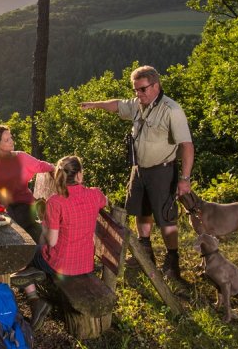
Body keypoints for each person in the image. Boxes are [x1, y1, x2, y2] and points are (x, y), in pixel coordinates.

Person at [79, 65, 194, 286]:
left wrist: (185, 179)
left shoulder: (172, 110)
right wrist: (95, 105)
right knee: (141, 210)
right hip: (139, 169)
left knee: (166, 216)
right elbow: (117, 105)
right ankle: (145, 251)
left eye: (142, 90)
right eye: (135, 90)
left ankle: (172, 260)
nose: (138, 94)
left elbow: (187, 146)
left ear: (156, 86)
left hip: (162, 170)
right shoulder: (138, 104)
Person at [20, 156, 109, 328]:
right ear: (80, 175)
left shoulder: (56, 201)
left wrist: (44, 227)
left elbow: (52, 241)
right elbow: (105, 201)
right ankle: (34, 278)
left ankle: (34, 297)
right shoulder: (94, 195)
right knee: (39, 247)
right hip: (85, 264)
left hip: (61, 265)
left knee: (27, 252)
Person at [0, 125, 54, 241]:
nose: (12, 141)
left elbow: (41, 165)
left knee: (6, 225)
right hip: (6, 205)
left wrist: (56, 168)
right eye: (7, 140)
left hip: (25, 206)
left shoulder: (21, 157)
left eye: (11, 137)